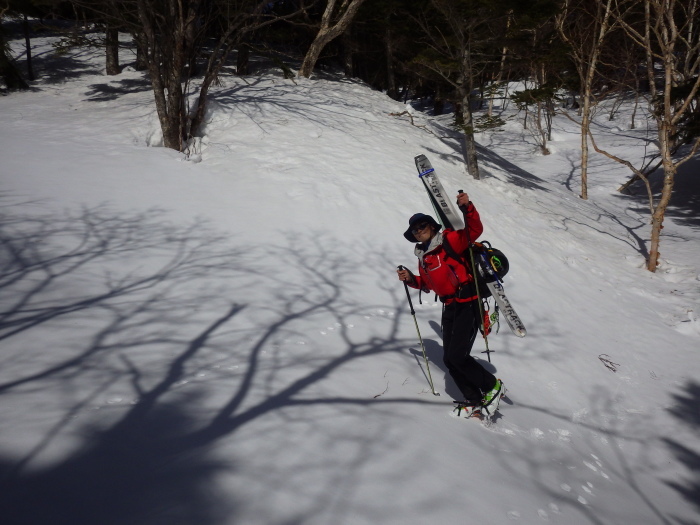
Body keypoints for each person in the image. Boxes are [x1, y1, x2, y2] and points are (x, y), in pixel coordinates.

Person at [397, 191, 503, 418]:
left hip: (468, 302)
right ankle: (473, 399)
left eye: (422, 225)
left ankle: (493, 386)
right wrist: (411, 279)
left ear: (433, 226)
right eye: (415, 230)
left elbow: (474, 231)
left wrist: (468, 209)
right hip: (450, 306)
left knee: (457, 356)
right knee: (448, 358)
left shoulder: (449, 241)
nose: (419, 230)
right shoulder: (423, 257)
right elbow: (427, 284)